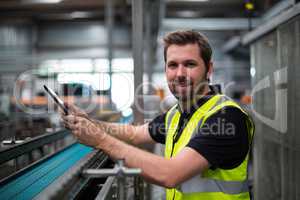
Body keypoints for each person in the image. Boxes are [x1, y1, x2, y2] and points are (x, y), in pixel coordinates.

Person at [62, 30, 254, 200]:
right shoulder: (176, 115)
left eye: (189, 64)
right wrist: (90, 123)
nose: (180, 73)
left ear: (209, 69)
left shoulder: (226, 118)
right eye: (172, 65)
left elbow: (170, 174)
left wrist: (100, 140)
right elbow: (134, 134)